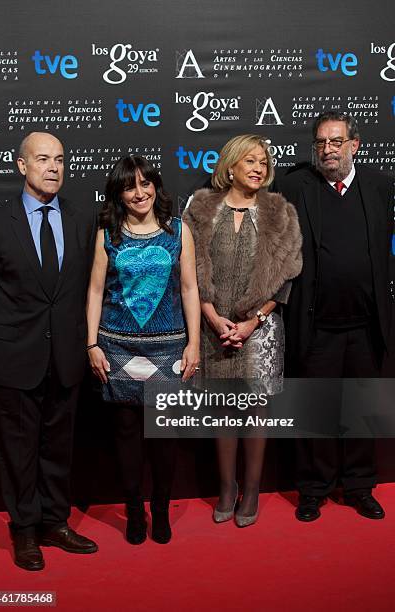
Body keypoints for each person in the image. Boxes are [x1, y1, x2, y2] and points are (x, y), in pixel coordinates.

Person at [0, 132, 98, 571]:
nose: (53, 167)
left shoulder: (81, 218)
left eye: (60, 160)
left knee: (58, 447)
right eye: (43, 159)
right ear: (20, 165)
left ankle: (55, 522)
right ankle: (25, 531)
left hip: (66, 357)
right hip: (13, 357)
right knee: (18, 451)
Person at [279, 111, 394, 522]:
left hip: (366, 325)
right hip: (317, 326)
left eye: (336, 141)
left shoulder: (379, 186)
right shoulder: (296, 185)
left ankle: (360, 486)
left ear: (354, 145)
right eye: (322, 143)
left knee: (362, 410)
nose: (328, 149)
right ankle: (313, 489)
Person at [183, 134, 302, 527]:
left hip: (261, 329)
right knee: (221, 411)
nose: (258, 168)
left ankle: (251, 490)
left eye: (263, 163)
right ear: (230, 166)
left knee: (255, 410)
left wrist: (255, 321)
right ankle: (227, 487)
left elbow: (287, 276)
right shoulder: (201, 209)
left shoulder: (279, 211)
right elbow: (191, 270)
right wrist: (213, 318)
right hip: (214, 326)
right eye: (249, 161)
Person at [86, 155, 200, 545]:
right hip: (116, 347)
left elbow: (189, 289)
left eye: (146, 183)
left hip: (169, 347)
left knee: (164, 437)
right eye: (130, 186)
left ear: (156, 186)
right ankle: (135, 510)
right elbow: (96, 291)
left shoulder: (179, 231)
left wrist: (194, 344)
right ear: (119, 194)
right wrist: (91, 344)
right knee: (126, 434)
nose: (140, 192)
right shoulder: (107, 234)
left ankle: (161, 510)